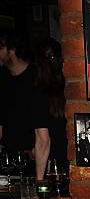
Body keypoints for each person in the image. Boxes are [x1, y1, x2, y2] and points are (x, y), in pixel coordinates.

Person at [0, 30, 50, 180]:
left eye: (0, 48)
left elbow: (43, 137)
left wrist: (39, 180)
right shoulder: (2, 79)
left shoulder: (36, 78)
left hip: (32, 163)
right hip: (7, 164)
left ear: (12, 50)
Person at [34, 38, 69, 190]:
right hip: (72, 162)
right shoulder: (69, 87)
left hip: (54, 168)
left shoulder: (39, 93)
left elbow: (43, 141)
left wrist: (39, 181)